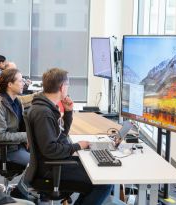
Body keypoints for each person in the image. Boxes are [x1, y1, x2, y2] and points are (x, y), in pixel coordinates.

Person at [26, 68, 113, 205]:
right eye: (68, 85)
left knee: (96, 169)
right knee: (103, 183)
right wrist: (78, 146)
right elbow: (51, 150)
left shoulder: (46, 107)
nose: (68, 88)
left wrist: (68, 112)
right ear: (62, 87)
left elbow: (62, 135)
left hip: (53, 163)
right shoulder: (44, 113)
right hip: (49, 169)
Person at [0, 69, 29, 166]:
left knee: (45, 157)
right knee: (39, 165)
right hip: (6, 151)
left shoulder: (16, 102)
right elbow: (0, 136)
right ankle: (24, 181)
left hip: (17, 145)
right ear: (10, 84)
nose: (23, 83)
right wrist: (26, 136)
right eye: (20, 81)